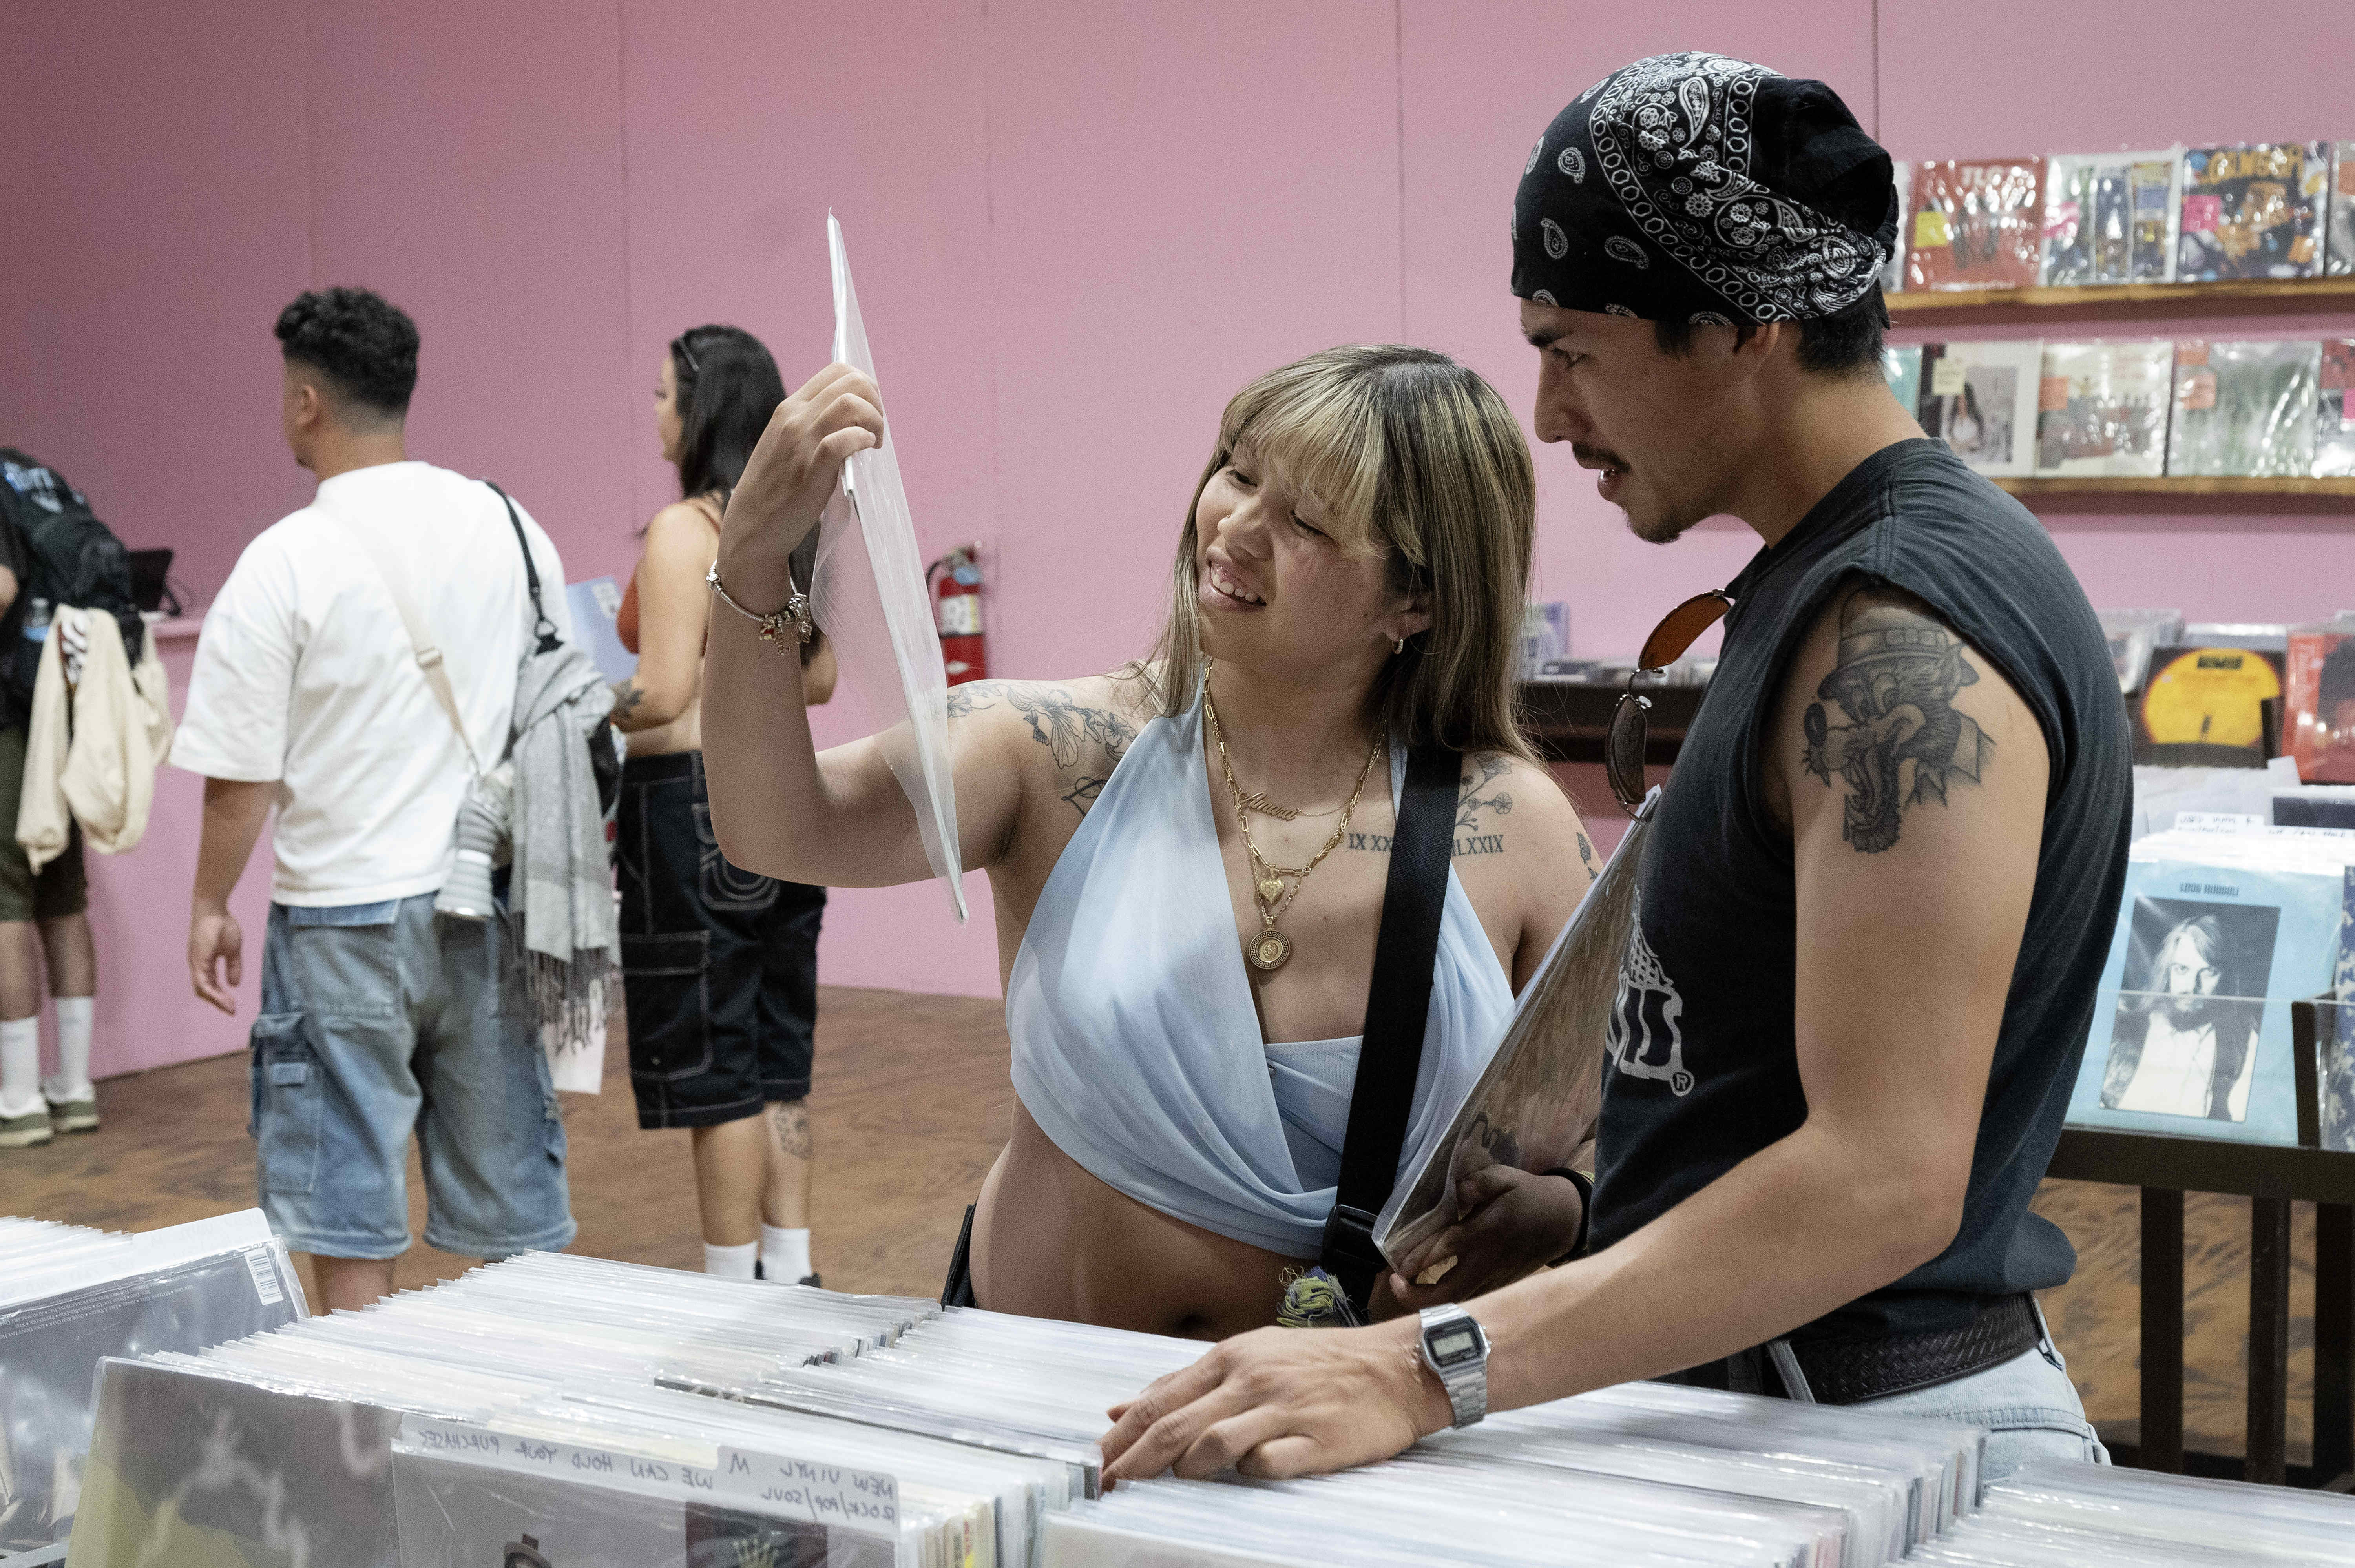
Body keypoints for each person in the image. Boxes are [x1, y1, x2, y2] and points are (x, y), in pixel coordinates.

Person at [1099, 52, 2133, 1483]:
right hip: (1774, 1400)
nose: (1543, 411)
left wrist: (1420, 1368)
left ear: (1737, 332)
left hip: (1866, 1435)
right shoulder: (1827, 584)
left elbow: (1884, 1179)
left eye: (1572, 347)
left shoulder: (1901, 632)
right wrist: (1603, 1218)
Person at [703, 345, 1598, 1339]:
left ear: (1416, 600)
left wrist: (1564, 1207)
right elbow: (775, 825)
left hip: (1339, 1442)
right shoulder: (1049, 752)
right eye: (1239, 470)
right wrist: (749, 556)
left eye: (1306, 519)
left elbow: (1616, 1129)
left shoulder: (1514, 826)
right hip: (1041, 1415)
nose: (1237, 526)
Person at [175, 287, 578, 1311]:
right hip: (488, 900)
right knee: (515, 1213)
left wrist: (210, 901)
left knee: (344, 1203)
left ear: (306, 400)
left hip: (342, 916)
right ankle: (514, 1431)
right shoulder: (511, 523)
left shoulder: (283, 562)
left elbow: (244, 777)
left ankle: (365, 1445)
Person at [611, 324, 840, 1285]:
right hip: (785, 798)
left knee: (716, 1070)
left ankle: (727, 1288)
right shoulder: (795, 528)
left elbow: (658, 691)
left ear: (701, 410)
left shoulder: (684, 530)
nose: (655, 415)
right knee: (778, 1054)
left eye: (664, 395)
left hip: (690, 808)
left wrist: (570, 707)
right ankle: (790, 1268)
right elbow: (819, 677)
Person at [0, 469, 96, 1150]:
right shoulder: (37, 477)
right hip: (59, 714)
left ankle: (21, 1099)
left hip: (6, 721)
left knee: (4, 902)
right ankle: (77, 1088)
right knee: (62, 899)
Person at [2099, 913, 2261, 1121]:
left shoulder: (2243, 1039)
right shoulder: (2123, 1026)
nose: (2192, 987)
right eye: (2182, 969)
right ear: (2167, 971)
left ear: (2225, 977)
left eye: (2209, 972)